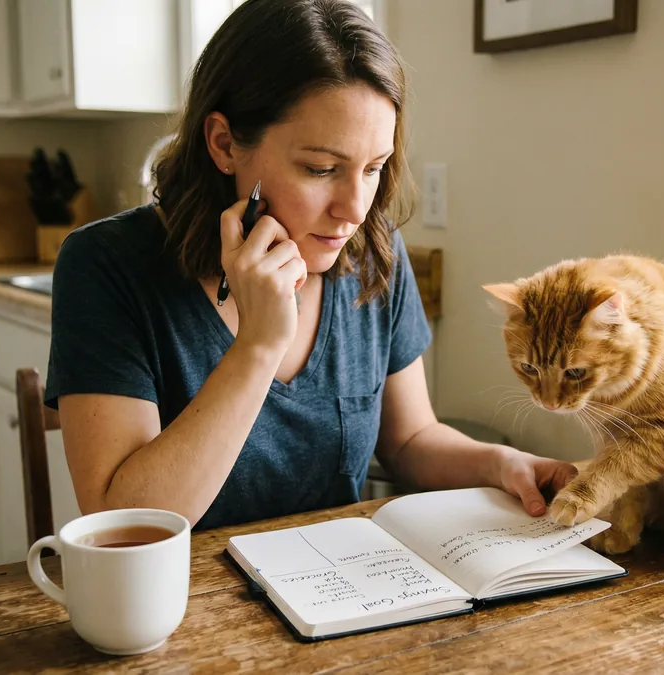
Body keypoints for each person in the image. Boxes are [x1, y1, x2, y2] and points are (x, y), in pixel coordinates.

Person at [44, 0, 577, 531]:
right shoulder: (106, 266)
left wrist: (502, 464)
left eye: (373, 168)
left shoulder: (374, 253)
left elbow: (409, 439)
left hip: (337, 593)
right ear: (225, 144)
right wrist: (258, 345)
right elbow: (123, 523)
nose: (354, 208)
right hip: (180, 605)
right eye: (321, 168)